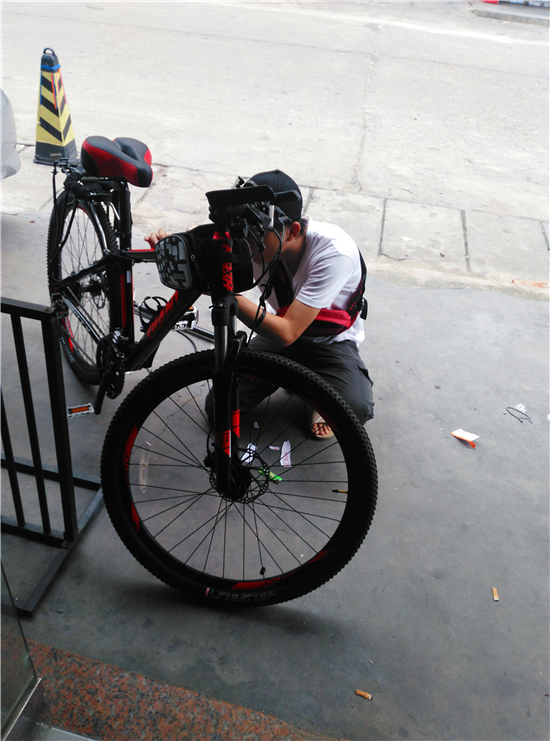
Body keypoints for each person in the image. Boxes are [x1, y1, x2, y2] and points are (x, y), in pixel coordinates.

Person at [146, 170, 374, 439]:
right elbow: (201, 245)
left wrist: (225, 293)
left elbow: (287, 332)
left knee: (352, 410)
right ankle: (302, 384)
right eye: (242, 229)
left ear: (292, 231)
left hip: (329, 343)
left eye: (257, 232)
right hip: (277, 337)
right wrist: (175, 251)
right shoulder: (252, 242)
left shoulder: (334, 252)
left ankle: (315, 391)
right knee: (220, 406)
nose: (246, 241)